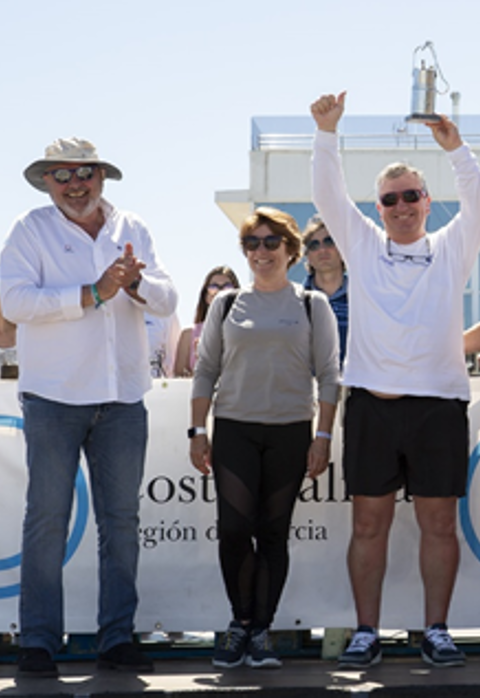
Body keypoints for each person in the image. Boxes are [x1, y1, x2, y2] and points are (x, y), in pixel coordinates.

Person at [311, 90, 480, 668]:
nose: (401, 206)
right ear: (380, 207)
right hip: (371, 405)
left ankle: (435, 630)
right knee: (369, 524)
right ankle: (367, 630)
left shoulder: (450, 248)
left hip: (438, 407)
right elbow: (327, 195)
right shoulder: (362, 244)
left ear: (426, 199)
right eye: (390, 199)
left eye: (412, 195)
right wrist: (326, 131)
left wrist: (456, 147)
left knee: (441, 524)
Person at [0, 137, 178, 678]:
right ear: (45, 182)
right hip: (53, 397)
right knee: (46, 521)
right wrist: (94, 292)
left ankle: (117, 637)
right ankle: (37, 641)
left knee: (121, 523)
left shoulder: (133, 227)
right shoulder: (28, 230)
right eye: (62, 175)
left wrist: (136, 282)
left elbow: (168, 298)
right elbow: (14, 303)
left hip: (123, 397)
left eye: (84, 172)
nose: (75, 184)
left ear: (102, 176)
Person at [190, 207, 340, 669]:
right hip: (234, 428)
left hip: (291, 432)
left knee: (272, 533)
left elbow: (330, 376)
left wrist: (322, 436)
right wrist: (197, 431)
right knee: (235, 531)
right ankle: (239, 624)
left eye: (271, 242)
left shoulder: (313, 305)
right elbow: (206, 370)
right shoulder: (227, 304)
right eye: (252, 243)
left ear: (291, 250)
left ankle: (261, 632)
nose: (261, 251)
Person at [174, 266, 240, 377]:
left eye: (227, 287)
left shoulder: (245, 332)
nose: (219, 292)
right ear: (205, 295)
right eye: (213, 287)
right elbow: (178, 378)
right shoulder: (188, 334)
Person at [302, 215, 348, 372]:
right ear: (308, 256)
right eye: (313, 245)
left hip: (355, 390)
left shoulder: (364, 297)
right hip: (306, 392)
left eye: (329, 242)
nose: (322, 250)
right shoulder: (294, 301)